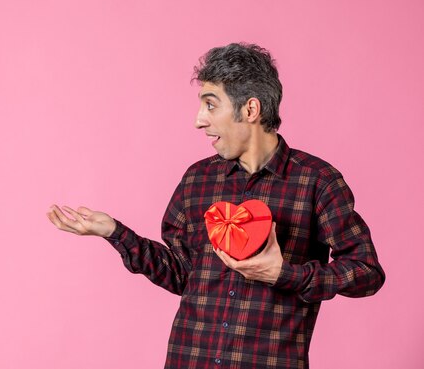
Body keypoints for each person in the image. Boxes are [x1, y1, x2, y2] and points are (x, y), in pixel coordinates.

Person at [46, 43, 385, 369]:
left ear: (250, 109)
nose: (198, 120)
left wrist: (286, 275)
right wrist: (114, 232)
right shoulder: (197, 180)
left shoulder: (317, 181)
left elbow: (367, 272)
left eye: (211, 105)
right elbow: (183, 274)